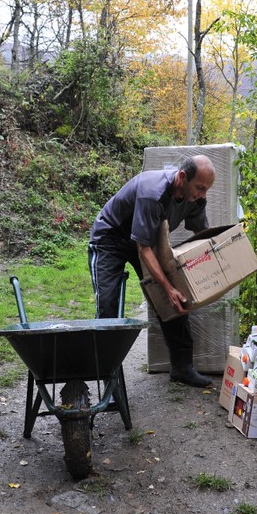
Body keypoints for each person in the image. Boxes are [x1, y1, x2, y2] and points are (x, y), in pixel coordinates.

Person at [88, 155, 216, 387]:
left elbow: (201, 235)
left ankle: (182, 368)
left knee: (176, 297)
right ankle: (108, 381)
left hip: (147, 238)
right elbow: (144, 249)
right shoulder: (153, 193)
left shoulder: (196, 199)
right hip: (110, 239)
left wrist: (210, 268)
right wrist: (166, 288)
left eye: (207, 189)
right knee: (108, 305)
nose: (203, 195)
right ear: (182, 177)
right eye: (200, 187)